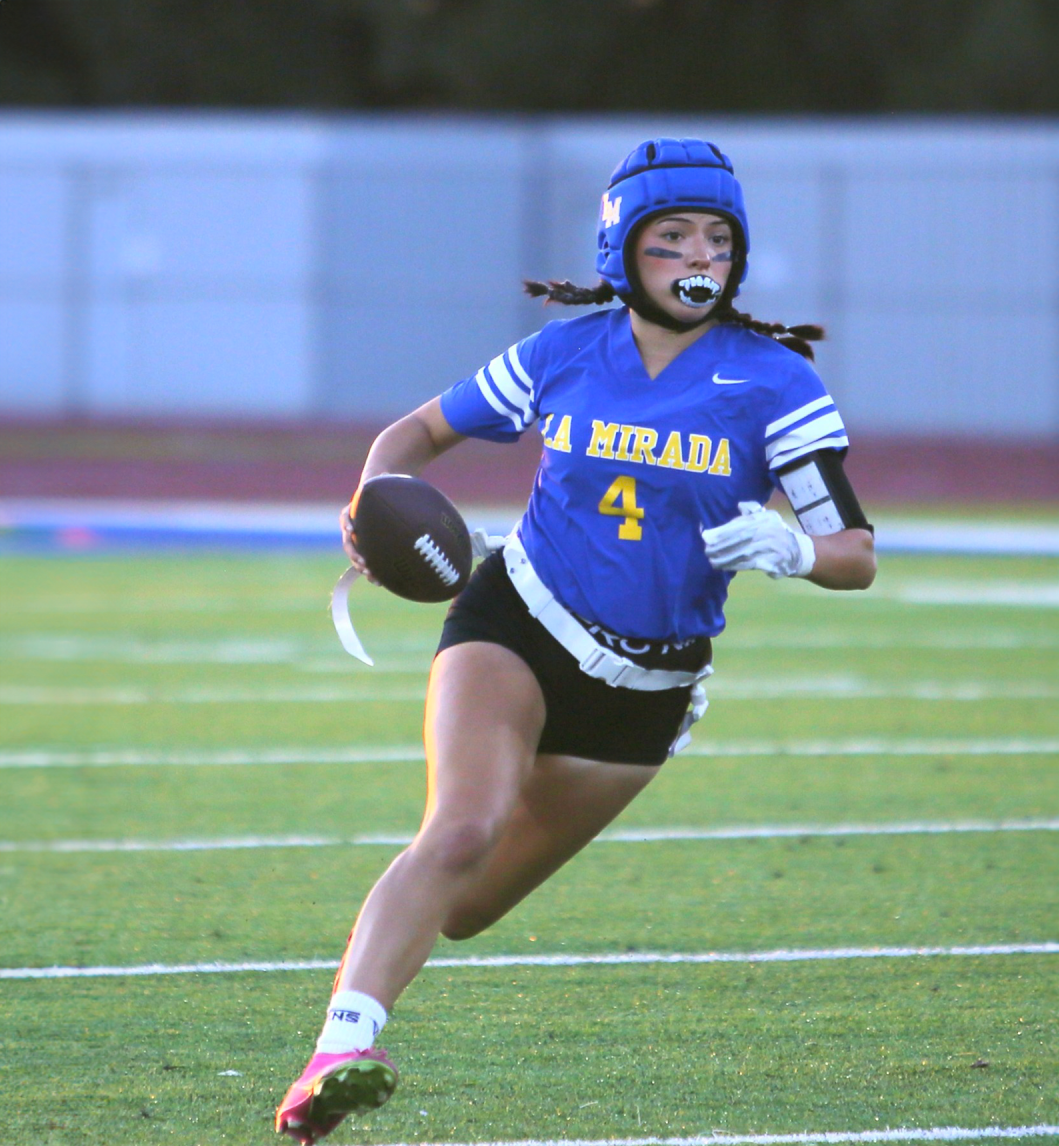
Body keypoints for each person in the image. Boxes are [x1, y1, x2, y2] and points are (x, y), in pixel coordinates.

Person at [275, 137, 876, 1144]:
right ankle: (340, 1049)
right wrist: (368, 503)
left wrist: (795, 550)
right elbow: (413, 436)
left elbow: (855, 552)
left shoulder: (774, 383)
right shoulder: (564, 352)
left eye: (718, 237)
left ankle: (369, 1002)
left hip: (645, 689)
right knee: (459, 830)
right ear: (623, 249)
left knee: (470, 905)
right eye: (673, 234)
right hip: (519, 616)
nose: (699, 254)